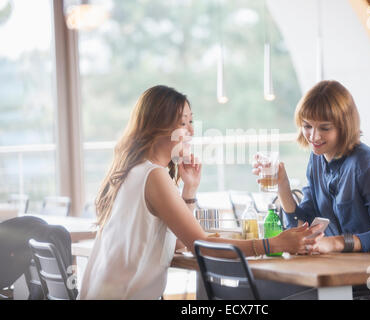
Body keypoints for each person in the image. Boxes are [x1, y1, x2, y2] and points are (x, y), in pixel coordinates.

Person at [78, 85, 322, 300]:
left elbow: (174, 245)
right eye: (183, 123)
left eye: (191, 121)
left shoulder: (135, 170)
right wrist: (272, 243)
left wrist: (189, 190)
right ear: (158, 128)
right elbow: (201, 246)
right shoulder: (153, 175)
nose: (192, 131)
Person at [252, 80, 370, 300]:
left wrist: (335, 243)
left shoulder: (367, 164)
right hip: (347, 282)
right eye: (307, 126)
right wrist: (283, 186)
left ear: (344, 126)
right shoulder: (316, 161)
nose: (314, 137)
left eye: (324, 128)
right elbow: (304, 227)